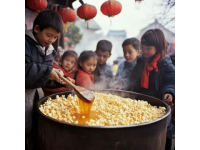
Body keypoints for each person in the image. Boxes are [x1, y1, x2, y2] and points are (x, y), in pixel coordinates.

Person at [25, 10, 74, 150]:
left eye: (55, 37)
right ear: (36, 29)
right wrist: (47, 72)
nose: (51, 40)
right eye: (49, 35)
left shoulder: (50, 50)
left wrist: (58, 79)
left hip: (36, 97)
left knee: (35, 131)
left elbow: (43, 78)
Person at [118, 29, 175, 150]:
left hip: (160, 107)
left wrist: (169, 92)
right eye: (143, 48)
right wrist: (122, 84)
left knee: (163, 135)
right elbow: (132, 79)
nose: (144, 51)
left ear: (158, 48)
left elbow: (171, 82)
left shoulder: (166, 66)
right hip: (141, 107)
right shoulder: (141, 62)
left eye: (148, 49)